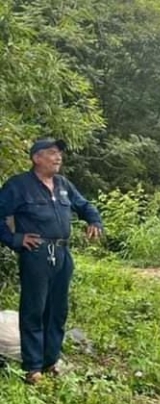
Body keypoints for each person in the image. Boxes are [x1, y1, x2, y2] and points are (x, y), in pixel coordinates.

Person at [0, 137, 103, 384]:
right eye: (51, 153)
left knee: (57, 311)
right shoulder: (19, 185)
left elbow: (84, 205)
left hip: (63, 254)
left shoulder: (63, 184)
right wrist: (15, 239)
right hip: (37, 253)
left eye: (59, 153)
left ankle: (50, 360)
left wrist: (94, 220)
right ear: (37, 158)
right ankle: (33, 367)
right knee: (34, 310)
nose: (58, 157)